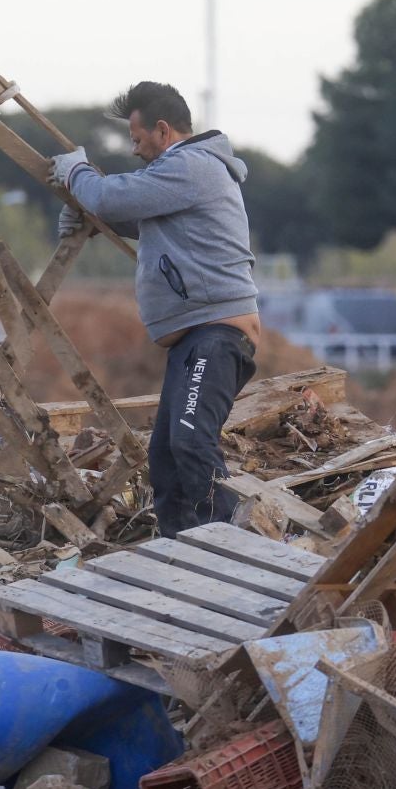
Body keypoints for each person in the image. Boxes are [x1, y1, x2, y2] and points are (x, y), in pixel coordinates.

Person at [49, 82, 261, 537]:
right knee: (165, 458)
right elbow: (132, 215)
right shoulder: (182, 174)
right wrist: (91, 221)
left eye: (138, 138)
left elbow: (111, 196)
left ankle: (237, 550)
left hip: (216, 335)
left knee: (190, 442)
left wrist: (76, 175)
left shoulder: (192, 165)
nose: (134, 148)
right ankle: (180, 557)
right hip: (195, 339)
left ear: (163, 130)